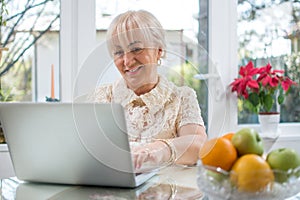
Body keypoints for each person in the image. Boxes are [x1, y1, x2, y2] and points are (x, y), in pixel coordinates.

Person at [88, 10, 207, 171]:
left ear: (159, 50)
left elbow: (198, 145)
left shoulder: (182, 97)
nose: (127, 61)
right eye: (118, 52)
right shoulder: (101, 96)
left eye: (136, 49)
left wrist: (160, 149)